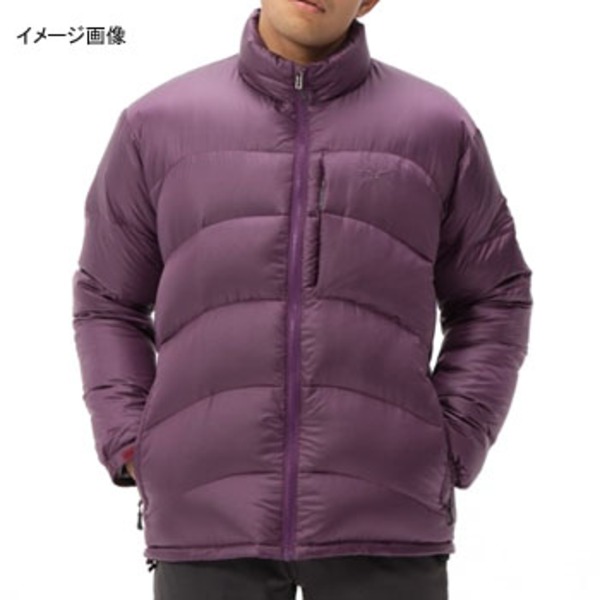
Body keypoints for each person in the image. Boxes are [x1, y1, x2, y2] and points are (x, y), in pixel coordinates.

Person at [71, 1, 533, 599]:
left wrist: (452, 442)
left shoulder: (435, 128)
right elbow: (107, 300)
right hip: (205, 518)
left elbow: (495, 296)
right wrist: (133, 442)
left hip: (387, 518)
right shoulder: (156, 125)